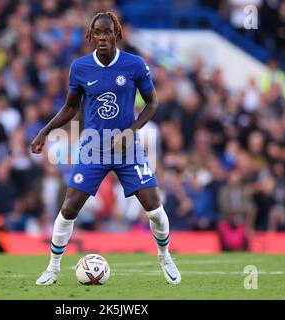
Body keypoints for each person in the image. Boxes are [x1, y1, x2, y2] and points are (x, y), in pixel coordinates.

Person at [31, 12, 181, 285]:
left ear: (116, 34)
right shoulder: (79, 68)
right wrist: (45, 130)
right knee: (68, 209)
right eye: (97, 32)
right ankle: (53, 268)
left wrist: (132, 130)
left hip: (127, 148)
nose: (102, 37)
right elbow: (71, 107)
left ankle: (164, 255)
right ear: (90, 36)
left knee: (155, 210)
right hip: (93, 148)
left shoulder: (135, 65)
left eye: (107, 32)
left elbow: (152, 103)